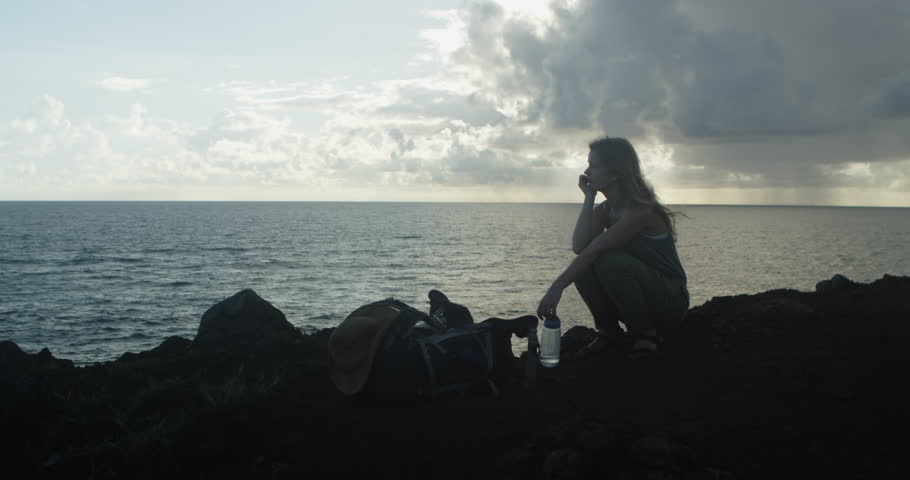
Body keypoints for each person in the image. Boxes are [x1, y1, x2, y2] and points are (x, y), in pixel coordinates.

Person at [536, 137, 689, 359]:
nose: (587, 171)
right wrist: (589, 198)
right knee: (585, 266)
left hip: (670, 301)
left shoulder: (640, 211)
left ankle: (646, 335)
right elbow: (580, 247)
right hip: (643, 295)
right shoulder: (606, 210)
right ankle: (609, 332)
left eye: (594, 165)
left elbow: (594, 251)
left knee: (608, 261)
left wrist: (555, 288)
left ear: (616, 172)